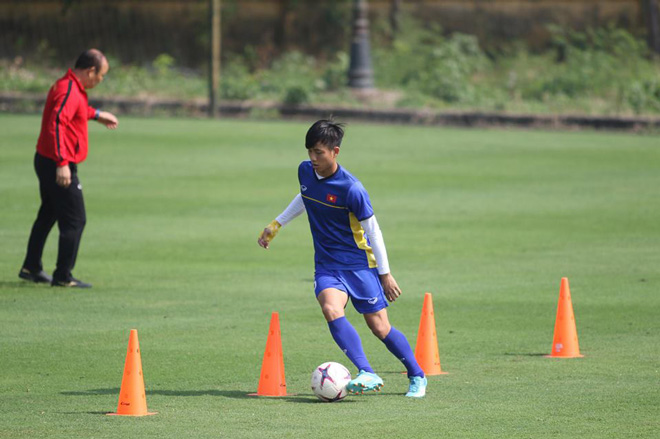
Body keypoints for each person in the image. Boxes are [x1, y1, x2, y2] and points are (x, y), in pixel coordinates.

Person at [258, 120, 427, 398]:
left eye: (319, 152)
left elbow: (374, 232)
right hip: (327, 265)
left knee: (379, 327)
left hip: (359, 265)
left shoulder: (352, 189)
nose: (313, 158)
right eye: (310, 151)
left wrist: (385, 274)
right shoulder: (305, 171)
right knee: (331, 309)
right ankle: (366, 371)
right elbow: (306, 195)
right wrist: (276, 224)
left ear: (335, 152)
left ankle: (417, 375)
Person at [18, 49, 119, 288]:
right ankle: (63, 276)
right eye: (101, 75)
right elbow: (56, 123)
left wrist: (96, 114)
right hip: (56, 162)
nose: (101, 79)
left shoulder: (68, 85)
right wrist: (62, 163)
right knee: (75, 219)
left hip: (47, 159)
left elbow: (74, 111)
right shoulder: (69, 90)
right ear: (91, 71)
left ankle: (31, 267)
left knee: (49, 213)